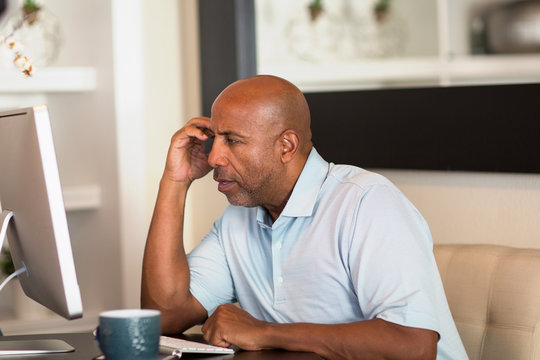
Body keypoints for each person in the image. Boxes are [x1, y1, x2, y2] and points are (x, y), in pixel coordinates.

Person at [141, 75, 468, 359]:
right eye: (215, 140)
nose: (213, 157)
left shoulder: (366, 202)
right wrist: (175, 181)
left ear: (286, 146)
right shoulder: (236, 222)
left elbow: (413, 347)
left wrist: (265, 333)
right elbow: (164, 315)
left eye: (233, 141)